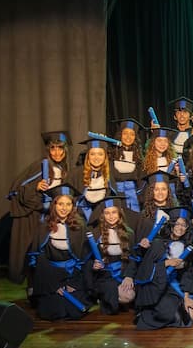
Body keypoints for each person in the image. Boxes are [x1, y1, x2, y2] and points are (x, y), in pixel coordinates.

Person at [8, 130, 76, 284]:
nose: (57, 152)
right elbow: (18, 189)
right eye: (53, 148)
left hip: (55, 214)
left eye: (60, 148)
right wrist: (36, 187)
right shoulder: (40, 165)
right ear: (48, 150)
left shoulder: (64, 169)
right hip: (37, 215)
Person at [27, 184, 92, 320]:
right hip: (49, 276)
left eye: (68, 204)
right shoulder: (44, 226)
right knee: (55, 310)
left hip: (73, 274)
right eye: (60, 204)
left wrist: (72, 283)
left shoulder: (80, 226)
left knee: (75, 310)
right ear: (54, 205)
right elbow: (38, 259)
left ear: (73, 206)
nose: (64, 208)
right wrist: (54, 284)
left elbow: (84, 259)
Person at [133, 206, 193, 330]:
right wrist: (167, 263)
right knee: (166, 312)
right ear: (171, 224)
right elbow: (145, 269)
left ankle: (176, 312)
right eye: (177, 223)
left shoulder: (188, 247)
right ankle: (147, 314)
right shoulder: (158, 243)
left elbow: (189, 274)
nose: (180, 228)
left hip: (178, 286)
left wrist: (186, 297)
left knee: (192, 315)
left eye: (184, 225)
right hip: (158, 287)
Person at [84, 195, 137, 315]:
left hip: (122, 272)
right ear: (102, 215)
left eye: (114, 212)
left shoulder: (129, 233)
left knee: (129, 295)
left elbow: (133, 258)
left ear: (120, 214)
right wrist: (93, 265)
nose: (111, 216)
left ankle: (115, 298)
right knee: (113, 303)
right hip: (104, 275)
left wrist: (129, 276)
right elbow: (86, 260)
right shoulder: (95, 233)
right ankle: (104, 298)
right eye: (107, 213)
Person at [72, 138, 114, 222]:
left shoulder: (110, 174)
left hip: (103, 218)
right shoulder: (75, 173)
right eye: (92, 154)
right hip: (80, 218)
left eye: (100, 154)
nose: (96, 158)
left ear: (105, 156)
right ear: (88, 156)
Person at [109, 118, 145, 212]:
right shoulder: (111, 154)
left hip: (133, 195)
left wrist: (138, 194)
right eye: (125, 133)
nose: (128, 137)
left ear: (135, 137)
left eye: (132, 134)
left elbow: (142, 179)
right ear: (120, 135)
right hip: (115, 193)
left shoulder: (138, 157)